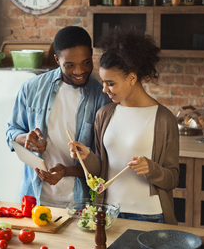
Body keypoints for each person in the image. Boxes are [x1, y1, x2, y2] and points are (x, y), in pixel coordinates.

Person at [68, 29, 179, 225]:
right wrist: (87, 156)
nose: (104, 90)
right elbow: (102, 169)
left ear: (132, 78)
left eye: (110, 83)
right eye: (103, 82)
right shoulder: (105, 114)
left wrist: (151, 168)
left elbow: (172, 179)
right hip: (110, 214)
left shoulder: (163, 119)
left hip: (150, 215)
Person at [6, 26, 112, 208]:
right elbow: (11, 133)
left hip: (81, 204)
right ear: (57, 60)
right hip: (34, 199)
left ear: (92, 54)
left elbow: (103, 163)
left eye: (86, 62)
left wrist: (66, 171)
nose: (79, 71)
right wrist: (26, 139)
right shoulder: (31, 89)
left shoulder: (102, 96)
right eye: (70, 65)